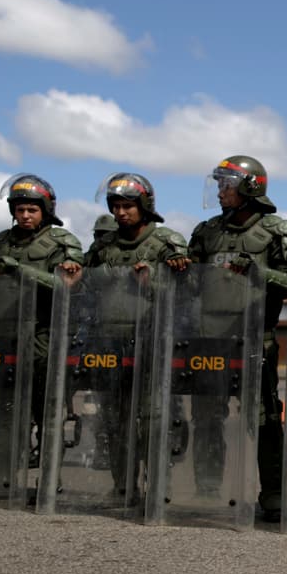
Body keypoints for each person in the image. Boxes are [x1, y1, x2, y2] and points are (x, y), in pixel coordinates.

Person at [188, 155, 287, 523]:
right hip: (210, 340)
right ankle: (207, 490)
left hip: (257, 338)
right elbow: (187, 281)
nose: (221, 192)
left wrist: (261, 273)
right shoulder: (206, 232)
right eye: (220, 184)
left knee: (264, 418)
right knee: (206, 416)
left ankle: (273, 493)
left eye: (227, 185)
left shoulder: (276, 231)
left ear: (250, 188)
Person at [83, 172, 191, 495]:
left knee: (153, 419)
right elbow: (83, 285)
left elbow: (189, 289)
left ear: (144, 205)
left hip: (152, 341)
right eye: (115, 206)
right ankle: (123, 487)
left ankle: (158, 488)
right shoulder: (103, 246)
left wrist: (154, 281)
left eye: (127, 206)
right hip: (109, 343)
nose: (121, 213)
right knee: (115, 421)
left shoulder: (166, 242)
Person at [0, 174, 84, 471]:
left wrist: (21, 270)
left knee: (47, 411)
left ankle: (50, 483)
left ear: (46, 210)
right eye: (19, 210)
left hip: (44, 333)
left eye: (32, 210)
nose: (24, 216)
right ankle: (3, 478)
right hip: (4, 332)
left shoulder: (62, 242)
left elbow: (67, 283)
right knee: (6, 410)